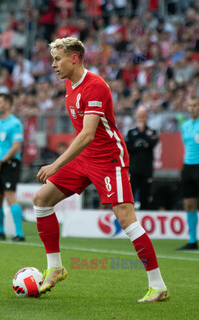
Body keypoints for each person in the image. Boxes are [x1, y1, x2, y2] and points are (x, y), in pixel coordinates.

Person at [33, 38, 168, 302]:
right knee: (41, 200)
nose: (53, 65)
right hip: (85, 158)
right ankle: (55, 267)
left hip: (108, 159)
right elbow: (83, 140)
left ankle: (158, 285)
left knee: (127, 220)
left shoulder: (94, 86)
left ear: (74, 58)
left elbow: (87, 134)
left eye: (57, 59)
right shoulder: (69, 85)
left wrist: (55, 164)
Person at [0, 93, 25, 242]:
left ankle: (19, 233)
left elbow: (16, 147)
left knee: (10, 196)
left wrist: (0, 162)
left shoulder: (15, 123)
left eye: (0, 103)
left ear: (8, 104)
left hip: (10, 164)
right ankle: (1, 232)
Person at [177, 96, 199, 250]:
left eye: (195, 105)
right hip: (188, 167)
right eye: (190, 105)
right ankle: (192, 241)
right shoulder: (184, 126)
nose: (192, 108)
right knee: (189, 204)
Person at [126, 106, 159, 210]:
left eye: (143, 115)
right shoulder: (131, 132)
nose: (141, 117)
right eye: (139, 115)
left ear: (147, 116)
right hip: (134, 170)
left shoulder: (152, 132)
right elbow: (128, 148)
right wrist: (142, 146)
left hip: (146, 170)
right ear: (136, 116)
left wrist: (142, 132)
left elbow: (153, 143)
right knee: (129, 197)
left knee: (145, 197)